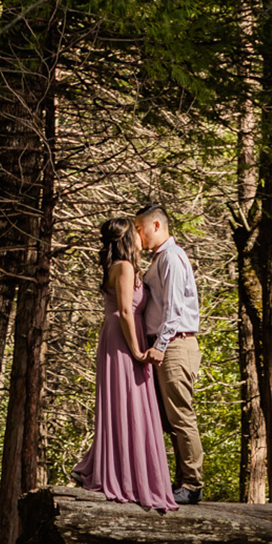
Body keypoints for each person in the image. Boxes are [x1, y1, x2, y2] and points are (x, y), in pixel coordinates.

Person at [74, 219, 178, 512]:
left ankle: (128, 474)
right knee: (128, 406)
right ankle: (127, 480)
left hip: (124, 340)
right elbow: (124, 312)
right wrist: (136, 349)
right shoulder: (123, 266)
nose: (139, 236)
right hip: (122, 342)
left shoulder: (125, 266)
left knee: (131, 406)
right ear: (126, 238)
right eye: (135, 233)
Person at [133, 203, 203, 505]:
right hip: (165, 344)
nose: (138, 235)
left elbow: (174, 308)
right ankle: (178, 481)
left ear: (156, 226)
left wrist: (160, 346)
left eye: (140, 229)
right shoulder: (159, 259)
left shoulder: (172, 258)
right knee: (167, 418)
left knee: (181, 416)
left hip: (175, 344)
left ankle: (192, 484)